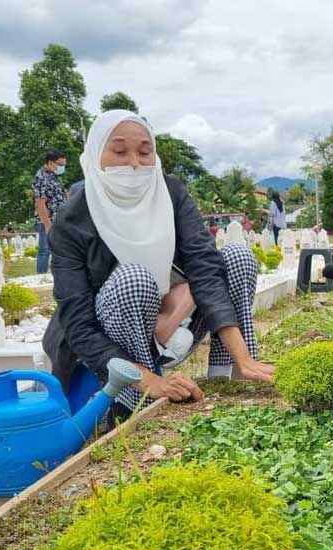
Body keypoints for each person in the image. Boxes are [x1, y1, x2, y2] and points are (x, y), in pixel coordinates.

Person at [43, 110, 273, 420]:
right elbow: (79, 324)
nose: (135, 163)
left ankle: (230, 372)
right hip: (111, 342)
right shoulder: (72, 220)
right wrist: (152, 383)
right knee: (133, 277)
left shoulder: (170, 192)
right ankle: (133, 397)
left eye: (144, 151)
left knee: (237, 257)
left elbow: (203, 264)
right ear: (97, 154)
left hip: (172, 323)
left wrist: (242, 355)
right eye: (120, 152)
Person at [31, 149, 68, 274]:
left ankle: (56, 275)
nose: (62, 167)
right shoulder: (41, 177)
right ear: (51, 163)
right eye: (60, 165)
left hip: (58, 220)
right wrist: (47, 226)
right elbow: (40, 203)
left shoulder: (52, 176)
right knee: (44, 250)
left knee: (59, 250)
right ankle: (41, 277)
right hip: (47, 221)